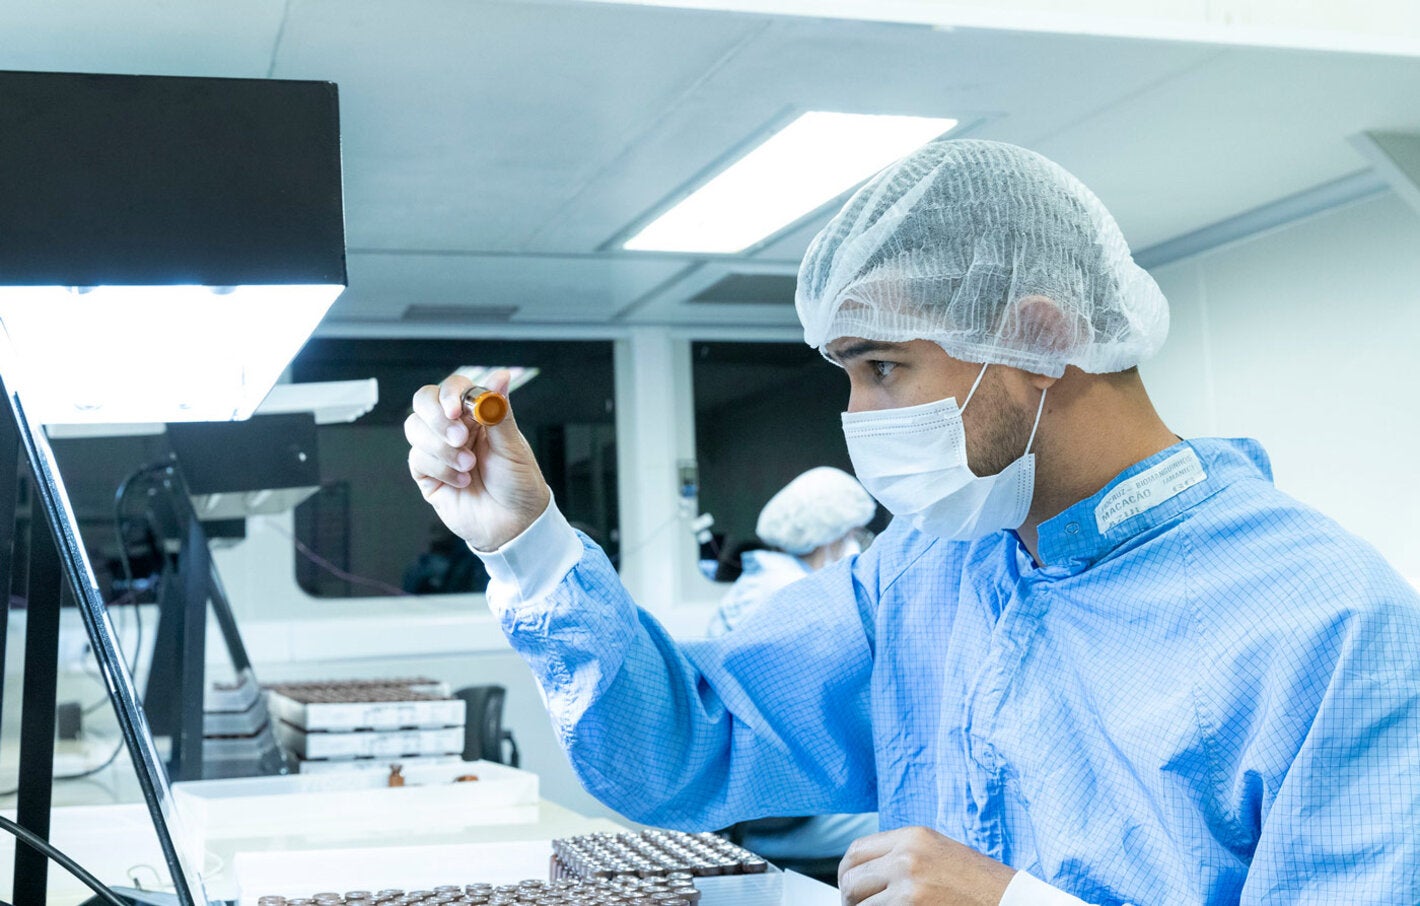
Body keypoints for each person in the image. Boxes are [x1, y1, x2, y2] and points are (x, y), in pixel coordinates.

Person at [405, 140, 1420, 905]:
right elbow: (686, 742)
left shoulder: (1328, 622)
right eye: (847, 375)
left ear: (1040, 334)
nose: (857, 417)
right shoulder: (931, 571)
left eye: (883, 366)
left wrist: (1015, 904)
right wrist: (526, 544)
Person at [707, 466, 876, 638]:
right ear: (827, 536)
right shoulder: (789, 589)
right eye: (850, 534)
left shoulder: (776, 574)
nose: (853, 544)